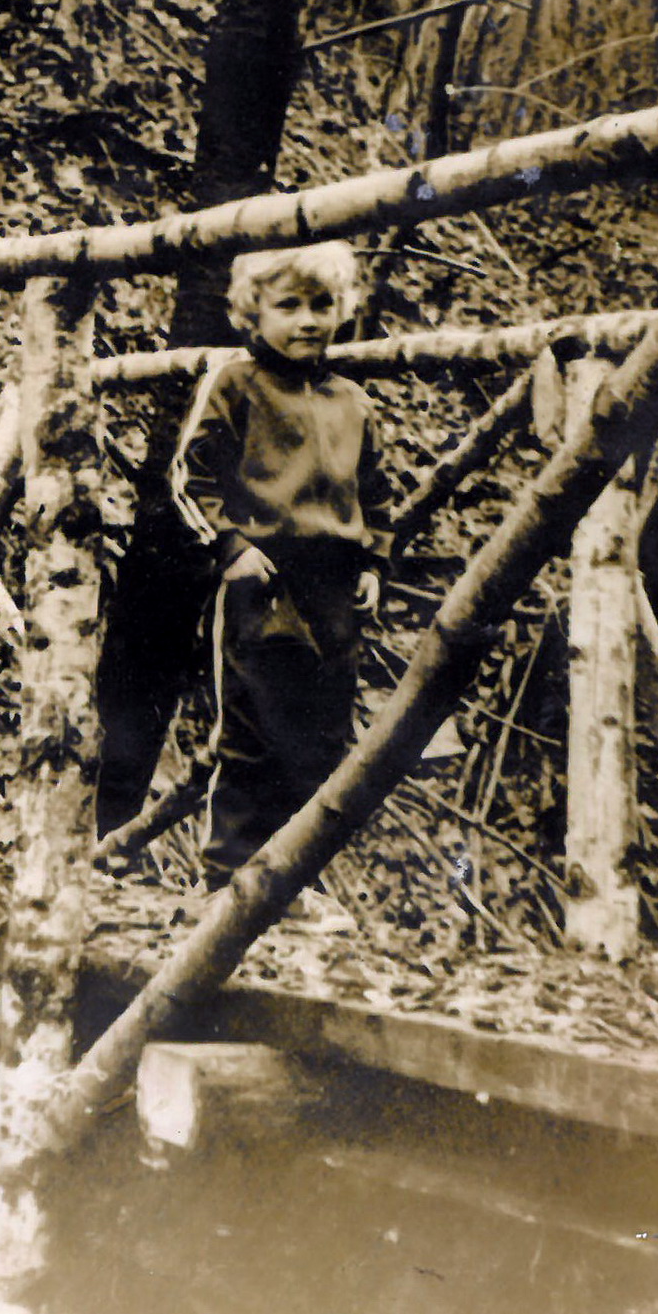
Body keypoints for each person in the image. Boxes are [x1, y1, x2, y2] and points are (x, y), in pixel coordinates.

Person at [168, 241, 393, 888]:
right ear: (251, 311)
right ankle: (226, 880)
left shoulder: (350, 399)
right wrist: (230, 548)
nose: (307, 320)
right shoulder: (236, 382)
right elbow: (191, 476)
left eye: (321, 305)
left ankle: (294, 883)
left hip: (335, 587)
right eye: (288, 305)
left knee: (322, 740)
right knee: (252, 732)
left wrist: (373, 562)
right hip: (262, 580)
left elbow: (375, 492)